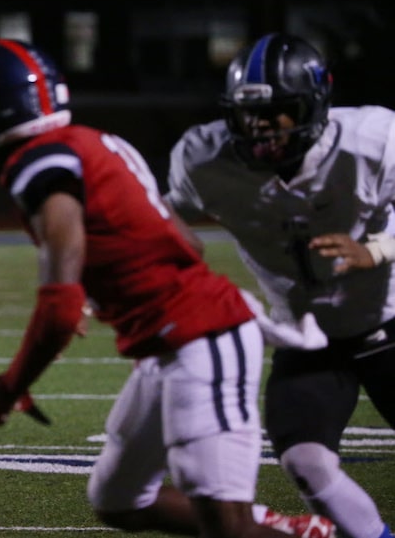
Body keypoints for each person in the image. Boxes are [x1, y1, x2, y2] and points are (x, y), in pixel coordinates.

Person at [0, 38, 335, 538]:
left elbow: (59, 306)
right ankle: (291, 530)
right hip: (167, 343)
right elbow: (187, 244)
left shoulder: (38, 160)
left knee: (227, 524)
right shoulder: (90, 141)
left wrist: (10, 385)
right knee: (119, 499)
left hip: (201, 337)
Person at [165, 32, 395, 538]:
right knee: (306, 462)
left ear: (313, 104)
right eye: (248, 114)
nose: (260, 126)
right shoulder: (205, 160)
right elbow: (163, 221)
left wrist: (376, 249)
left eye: (278, 110)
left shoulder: (373, 138)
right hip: (307, 338)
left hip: (388, 325)